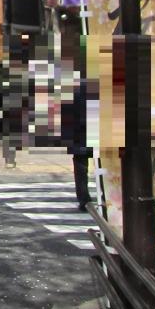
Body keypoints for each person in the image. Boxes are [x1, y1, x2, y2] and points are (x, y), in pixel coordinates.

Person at [61, 76, 93, 211]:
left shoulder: (72, 89)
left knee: (81, 169)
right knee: (103, 167)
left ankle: (84, 199)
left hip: (78, 134)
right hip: (96, 131)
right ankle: (105, 196)